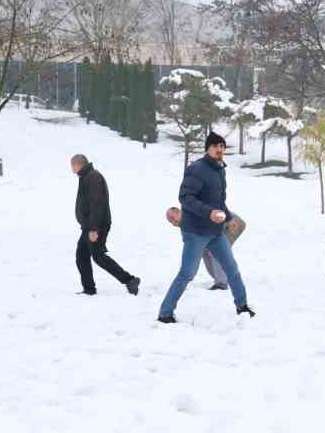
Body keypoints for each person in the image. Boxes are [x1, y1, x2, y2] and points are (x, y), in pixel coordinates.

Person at [158, 133, 255, 323]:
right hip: (195, 231)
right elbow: (185, 198)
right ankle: (165, 313)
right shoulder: (197, 169)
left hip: (216, 231)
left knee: (231, 268)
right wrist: (209, 212)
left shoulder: (220, 169)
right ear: (207, 148)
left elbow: (218, 200)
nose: (220, 150)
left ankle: (242, 306)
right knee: (187, 273)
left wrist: (227, 217)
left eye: (222, 146)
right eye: (216, 146)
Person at [71, 154, 142, 298]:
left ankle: (129, 280)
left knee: (97, 256)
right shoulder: (86, 176)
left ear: (78, 164)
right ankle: (89, 289)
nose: (71, 168)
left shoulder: (93, 177)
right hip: (89, 225)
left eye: (72, 165)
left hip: (96, 225)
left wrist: (93, 229)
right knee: (82, 256)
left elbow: (97, 204)